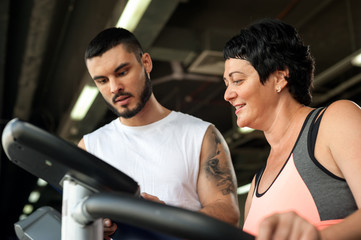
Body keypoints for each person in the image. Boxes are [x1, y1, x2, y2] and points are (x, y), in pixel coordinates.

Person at [77, 27, 240, 239]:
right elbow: (74, 223)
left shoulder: (201, 134)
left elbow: (229, 214)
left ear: (146, 63)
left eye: (122, 72)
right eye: (102, 81)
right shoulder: (89, 148)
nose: (114, 87)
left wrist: (164, 217)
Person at [223, 18, 361, 239]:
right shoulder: (255, 188)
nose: (228, 95)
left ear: (279, 77)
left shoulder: (334, 121)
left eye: (237, 80)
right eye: (226, 84)